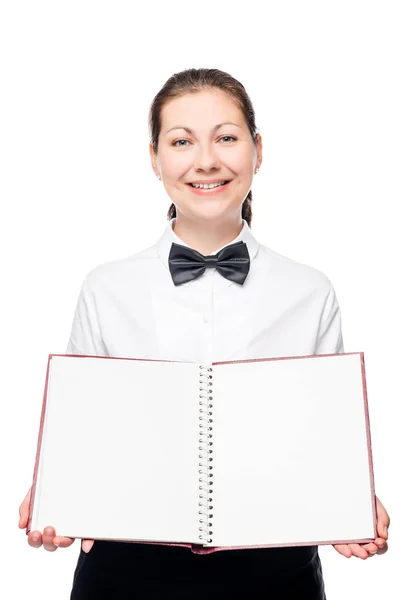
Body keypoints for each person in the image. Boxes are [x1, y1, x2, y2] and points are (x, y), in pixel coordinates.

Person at [19, 67, 390, 599]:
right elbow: (82, 437)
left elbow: (325, 440)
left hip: (277, 575)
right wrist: (57, 497)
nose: (206, 160)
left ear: (258, 151)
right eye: (182, 141)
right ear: (154, 158)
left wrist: (351, 499)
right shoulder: (105, 288)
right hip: (124, 575)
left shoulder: (312, 291)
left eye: (227, 138)